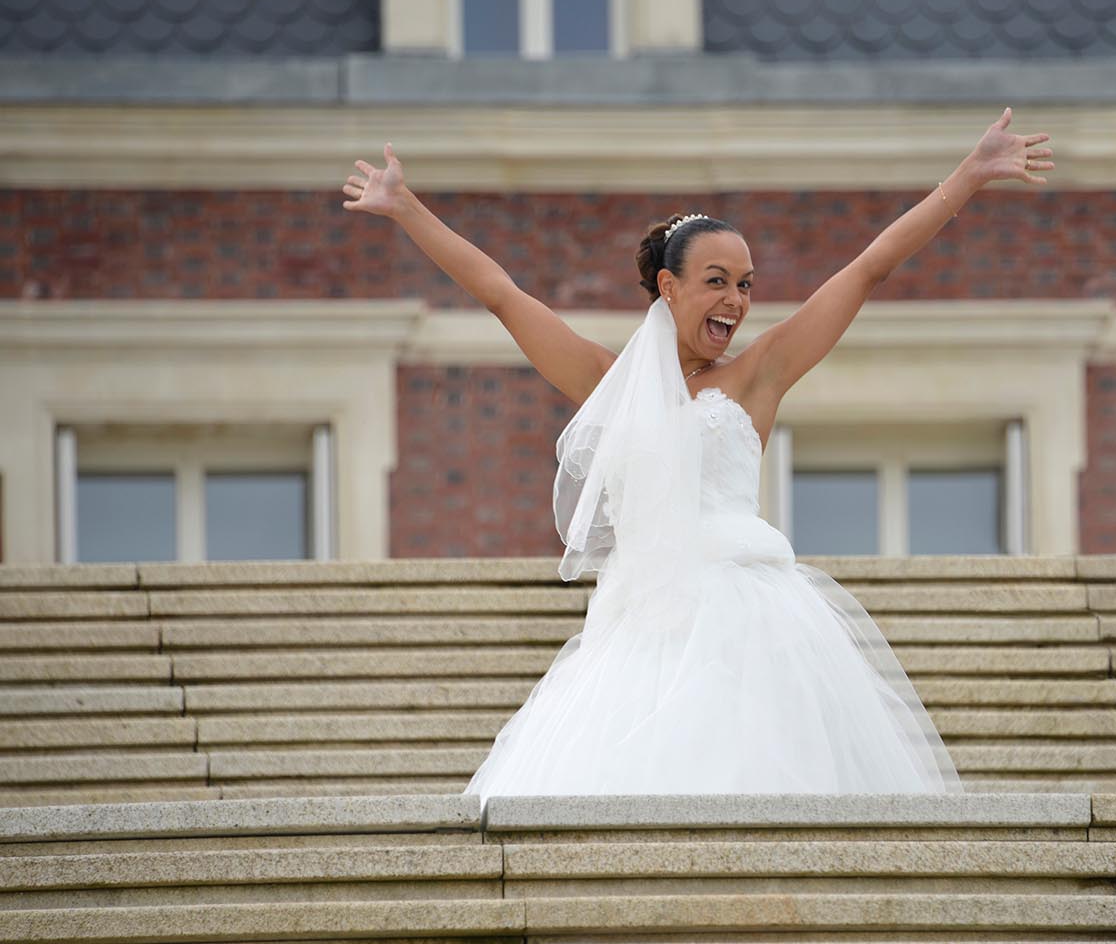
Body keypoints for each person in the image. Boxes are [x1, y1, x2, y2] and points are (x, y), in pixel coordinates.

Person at [343, 108, 1053, 799]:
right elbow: (502, 295)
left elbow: (868, 268)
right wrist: (406, 207)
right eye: (716, 281)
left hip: (750, 620)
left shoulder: (759, 373)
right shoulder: (605, 383)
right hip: (637, 633)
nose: (736, 301)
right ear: (668, 287)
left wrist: (969, 175)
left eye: (745, 284)